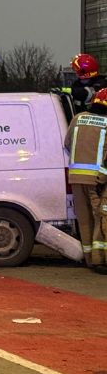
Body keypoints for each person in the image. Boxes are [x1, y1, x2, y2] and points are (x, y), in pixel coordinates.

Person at [66, 88, 107, 273]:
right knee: (100, 218)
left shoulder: (77, 118)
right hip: (97, 180)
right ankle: (100, 260)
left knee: (83, 220)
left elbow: (67, 144)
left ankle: (89, 260)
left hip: (76, 178)